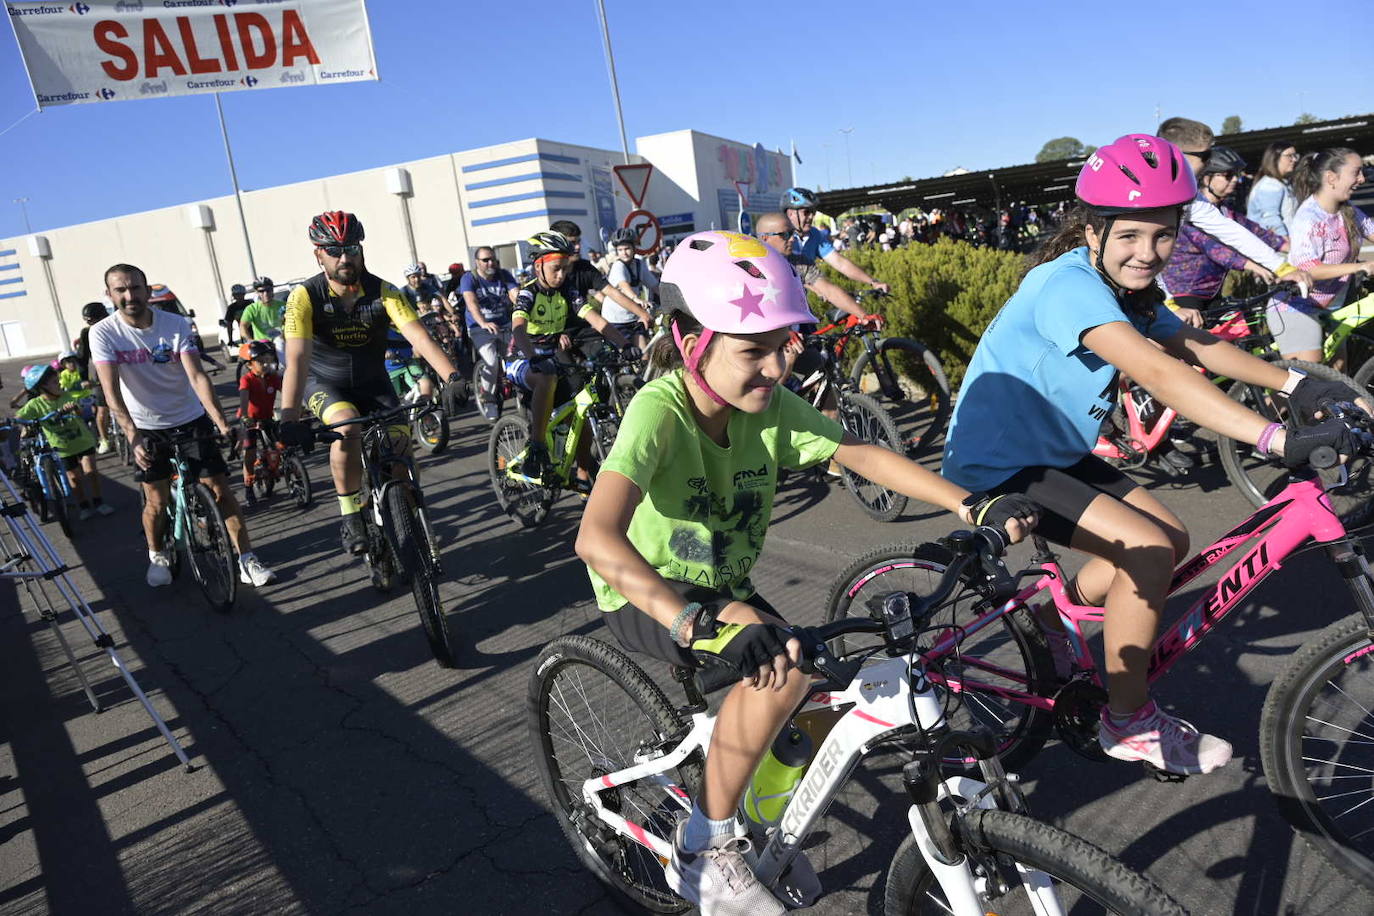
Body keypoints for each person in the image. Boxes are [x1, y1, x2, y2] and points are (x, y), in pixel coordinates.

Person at [575, 230, 1036, 914]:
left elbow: (860, 453)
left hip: (721, 584)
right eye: (753, 351)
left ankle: (749, 815)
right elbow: (595, 537)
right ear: (691, 339)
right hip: (649, 588)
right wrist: (686, 618)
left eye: (783, 346)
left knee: (810, 677)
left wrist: (970, 503)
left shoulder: (768, 406)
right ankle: (709, 849)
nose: (776, 369)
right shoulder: (660, 410)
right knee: (783, 667)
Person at [942, 134, 1356, 776]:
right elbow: (1160, 374)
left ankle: (1055, 616)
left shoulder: (1126, 288)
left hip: (1054, 450)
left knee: (1171, 534)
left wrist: (1299, 383)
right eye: (1130, 235)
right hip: (1001, 463)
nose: (1148, 253)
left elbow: (1194, 343)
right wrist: (1271, 437)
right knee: (1146, 549)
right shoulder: (1068, 286)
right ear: (1092, 230)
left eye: (1163, 236)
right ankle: (1127, 720)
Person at [277, 212, 462, 557]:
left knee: (400, 448)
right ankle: (350, 515)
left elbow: (418, 335)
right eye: (334, 250)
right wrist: (288, 417)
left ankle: (408, 513)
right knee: (346, 428)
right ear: (319, 254)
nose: (345, 257)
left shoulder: (383, 290)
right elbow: (297, 361)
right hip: (324, 383)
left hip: (372, 381)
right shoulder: (304, 296)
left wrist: (451, 377)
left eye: (351, 248)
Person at [91, 263, 275, 588]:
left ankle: (247, 560)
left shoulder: (175, 324)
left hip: (189, 418)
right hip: (145, 427)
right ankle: (157, 554)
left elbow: (197, 375)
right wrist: (132, 437)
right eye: (121, 289)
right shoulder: (104, 332)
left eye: (135, 288)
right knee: (157, 501)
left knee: (220, 489)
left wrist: (220, 422)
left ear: (147, 292)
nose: (129, 295)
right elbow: (111, 390)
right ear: (110, 295)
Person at [511, 230, 633, 479]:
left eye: (565, 269)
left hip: (552, 358)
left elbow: (596, 320)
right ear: (538, 267)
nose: (562, 275)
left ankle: (583, 472)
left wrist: (623, 345)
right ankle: (536, 448)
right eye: (556, 268)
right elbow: (518, 330)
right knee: (546, 378)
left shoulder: (566, 291)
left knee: (582, 413)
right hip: (523, 358)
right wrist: (533, 356)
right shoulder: (528, 294)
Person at [1156, 118, 1312, 291]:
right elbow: (1148, 253)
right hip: (1182, 290)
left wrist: (1281, 267)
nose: (1209, 163)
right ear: (1178, 155)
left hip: (1204, 288)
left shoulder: (1188, 194)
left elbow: (1230, 230)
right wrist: (1167, 302)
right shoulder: (1149, 192)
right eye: (1206, 156)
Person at [1272, 148, 1374, 362]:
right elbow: (1307, 269)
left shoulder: (1348, 211)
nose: (1362, 179)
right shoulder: (1308, 218)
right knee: (1307, 384)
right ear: (1331, 178)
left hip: (1333, 306)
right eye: (1356, 173)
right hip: (1297, 308)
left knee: (1339, 375)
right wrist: (1359, 267)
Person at [1161, 146, 1286, 317]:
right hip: (1184, 293)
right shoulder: (1190, 211)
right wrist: (1250, 265)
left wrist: (1287, 246)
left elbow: (1256, 232)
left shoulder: (1226, 212)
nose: (1235, 180)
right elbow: (1210, 245)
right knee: (1195, 340)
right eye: (1228, 176)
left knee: (1237, 332)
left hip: (1212, 291)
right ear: (1206, 179)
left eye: (1237, 175)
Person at [17, 363, 114, 520]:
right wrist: (19, 423)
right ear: (42, 387)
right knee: (74, 478)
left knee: (91, 473)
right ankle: (83, 505)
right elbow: (20, 417)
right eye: (54, 383)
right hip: (62, 447)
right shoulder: (35, 405)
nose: (59, 384)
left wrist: (74, 408)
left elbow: (80, 411)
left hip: (82, 441)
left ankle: (98, 502)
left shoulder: (66, 396)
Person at [780, 188, 890, 294]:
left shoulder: (815, 235)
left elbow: (840, 263)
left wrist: (873, 282)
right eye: (807, 212)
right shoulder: (777, 237)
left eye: (813, 212)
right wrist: (814, 289)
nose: (811, 216)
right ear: (790, 213)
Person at [548, 220, 648, 328]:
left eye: (578, 242)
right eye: (572, 243)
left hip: (582, 330)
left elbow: (612, 292)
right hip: (553, 333)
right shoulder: (544, 273)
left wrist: (642, 314)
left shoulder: (585, 268)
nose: (577, 247)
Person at [460, 246, 519, 421]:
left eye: (492, 259)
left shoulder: (504, 275)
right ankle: (489, 398)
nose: (490, 263)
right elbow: (471, 303)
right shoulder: (469, 278)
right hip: (479, 327)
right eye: (485, 260)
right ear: (477, 262)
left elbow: (515, 294)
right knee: (491, 361)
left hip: (505, 324)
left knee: (519, 357)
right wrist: (483, 322)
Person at [236, 340, 282, 508]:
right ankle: (248, 486)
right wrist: (246, 416)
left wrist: (300, 408)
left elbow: (287, 391)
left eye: (268, 360)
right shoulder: (247, 380)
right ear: (249, 365)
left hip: (267, 417)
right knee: (250, 453)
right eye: (261, 361)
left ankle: (282, 468)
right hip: (249, 420)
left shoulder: (273, 378)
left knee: (280, 445)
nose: (266, 364)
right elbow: (243, 399)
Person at [603, 228, 657, 346]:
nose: (624, 253)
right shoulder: (618, 266)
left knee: (644, 353)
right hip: (615, 319)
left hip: (633, 316)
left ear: (634, 248)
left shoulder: (639, 264)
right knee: (625, 355)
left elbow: (654, 285)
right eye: (620, 250)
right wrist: (636, 299)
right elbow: (623, 285)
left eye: (627, 248)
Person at [74, 302, 114, 454]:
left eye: (91, 320)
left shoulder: (115, 327)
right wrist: (84, 379)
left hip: (123, 371)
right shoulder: (87, 334)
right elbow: (82, 359)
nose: (89, 324)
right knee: (102, 410)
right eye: (87, 321)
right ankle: (104, 439)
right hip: (101, 374)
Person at [1247, 141, 1300, 237]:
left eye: (1295, 155)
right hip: (1278, 247)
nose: (1294, 159)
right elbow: (1270, 219)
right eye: (1289, 156)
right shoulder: (1270, 186)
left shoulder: (1282, 183)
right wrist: (1286, 244)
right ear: (1275, 158)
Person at [239, 278, 286, 349]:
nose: (265, 293)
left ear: (272, 290)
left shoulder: (283, 306)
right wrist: (250, 340)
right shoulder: (251, 309)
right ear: (257, 292)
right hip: (263, 346)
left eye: (268, 290)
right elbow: (243, 326)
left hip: (283, 341)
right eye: (261, 291)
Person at [221, 284, 251, 354]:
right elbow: (229, 325)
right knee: (246, 354)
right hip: (245, 334)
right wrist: (230, 339)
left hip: (256, 332)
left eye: (241, 295)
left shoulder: (250, 304)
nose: (239, 297)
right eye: (237, 295)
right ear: (234, 296)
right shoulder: (232, 308)